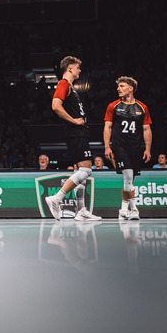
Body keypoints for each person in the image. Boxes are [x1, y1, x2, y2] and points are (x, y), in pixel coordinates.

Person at [43, 57, 100, 221]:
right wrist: (74, 120)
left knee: (81, 174)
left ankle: (81, 210)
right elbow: (55, 106)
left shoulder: (71, 87)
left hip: (79, 132)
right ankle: (57, 198)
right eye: (77, 68)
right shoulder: (63, 84)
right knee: (86, 170)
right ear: (69, 69)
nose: (79, 71)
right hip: (75, 132)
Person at [102, 76, 152, 222]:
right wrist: (107, 146)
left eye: (122, 86)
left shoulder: (142, 107)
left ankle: (123, 210)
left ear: (131, 88)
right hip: (119, 146)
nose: (118, 88)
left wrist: (147, 149)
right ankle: (134, 210)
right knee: (128, 176)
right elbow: (108, 127)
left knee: (128, 180)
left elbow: (146, 129)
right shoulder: (113, 106)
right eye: (118, 86)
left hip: (135, 147)